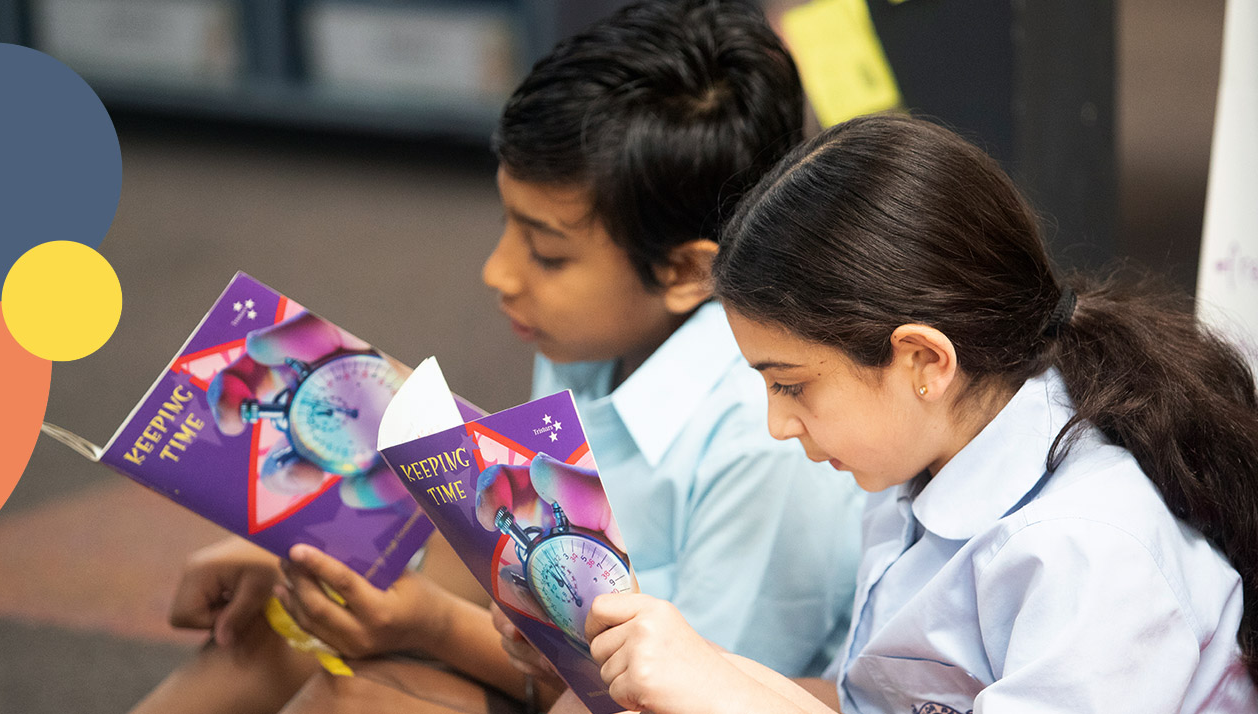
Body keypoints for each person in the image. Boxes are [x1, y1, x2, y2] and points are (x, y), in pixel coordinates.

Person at [130, 2, 866, 713]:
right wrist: (307, 551)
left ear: (684, 271)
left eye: (547, 252)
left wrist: (430, 627)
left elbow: (689, 695)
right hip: (563, 654)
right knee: (287, 626)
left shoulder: (762, 443)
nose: (499, 272)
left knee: (357, 698)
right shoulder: (591, 339)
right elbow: (504, 549)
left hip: (667, 698)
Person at [580, 113, 1258, 713]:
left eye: (791, 386)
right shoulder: (916, 461)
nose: (777, 426)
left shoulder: (1088, 549)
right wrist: (687, 676)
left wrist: (724, 693)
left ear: (925, 362)